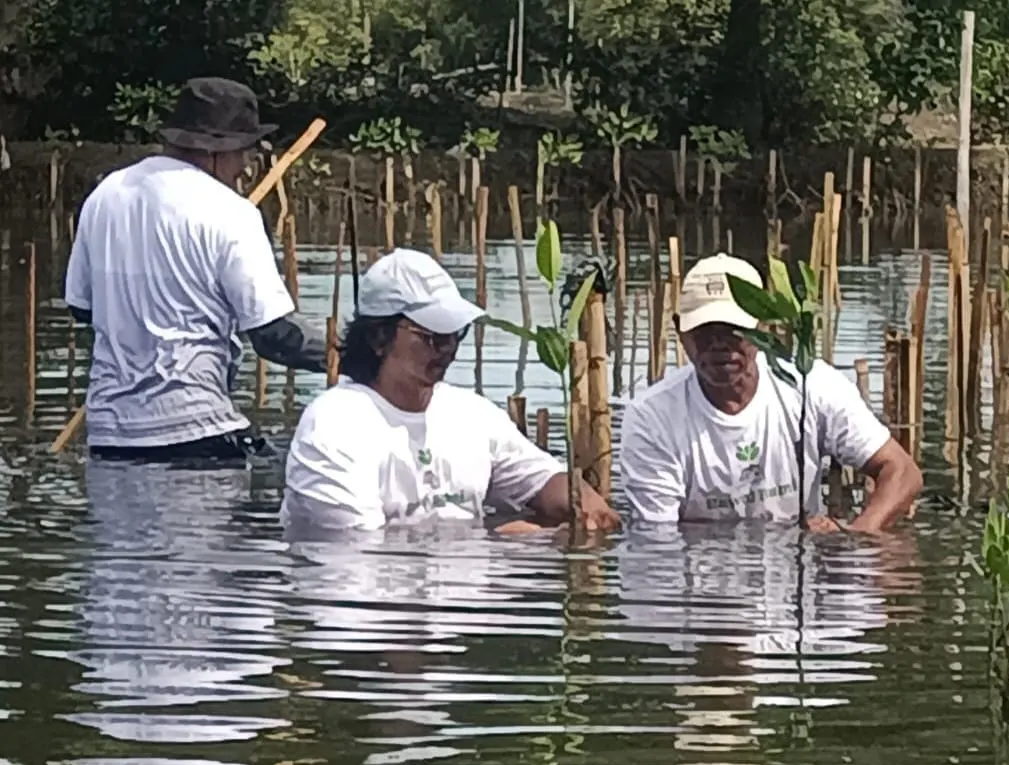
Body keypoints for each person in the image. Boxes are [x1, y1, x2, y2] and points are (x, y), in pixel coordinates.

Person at [64, 76, 326, 463]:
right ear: (219, 151)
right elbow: (274, 336)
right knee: (295, 481)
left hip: (110, 434)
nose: (245, 170)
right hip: (197, 429)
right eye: (245, 155)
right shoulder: (231, 211)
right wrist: (350, 352)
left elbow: (81, 309)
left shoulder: (105, 195)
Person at [280, 247, 619, 537]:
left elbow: (542, 479)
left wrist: (584, 504)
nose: (447, 348)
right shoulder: (334, 426)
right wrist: (504, 544)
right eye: (431, 336)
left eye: (456, 333)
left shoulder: (472, 415)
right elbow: (359, 555)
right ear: (378, 338)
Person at [619, 254, 922, 532]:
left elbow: (902, 470)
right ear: (680, 331)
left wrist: (860, 534)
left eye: (734, 329)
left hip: (802, 570)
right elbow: (658, 543)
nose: (719, 343)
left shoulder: (812, 385)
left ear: (762, 326)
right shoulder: (651, 417)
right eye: (704, 330)